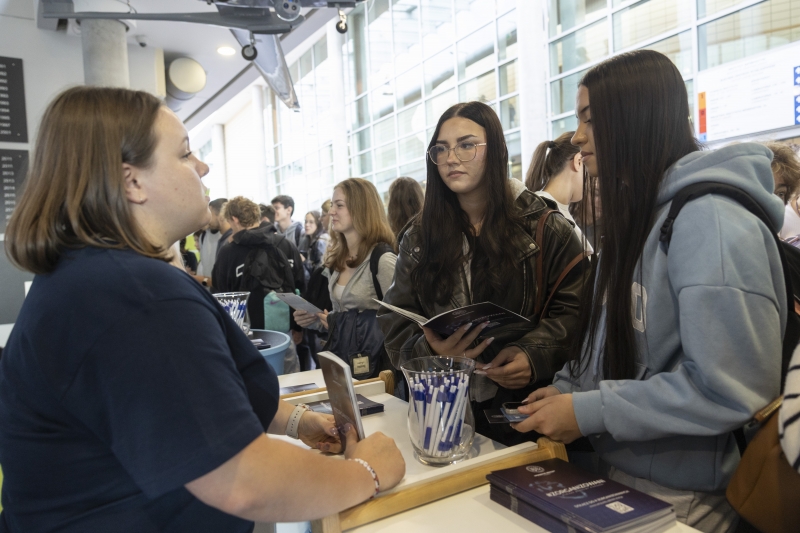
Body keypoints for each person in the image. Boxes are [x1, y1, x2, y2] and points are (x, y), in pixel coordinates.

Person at [0, 86, 404, 532]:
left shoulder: (96, 277)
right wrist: (365, 473)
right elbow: (244, 481)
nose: (203, 166)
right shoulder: (136, 296)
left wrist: (295, 421)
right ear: (131, 181)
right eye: (186, 154)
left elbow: (186, 398)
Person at [512, 51, 784, 533]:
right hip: (626, 477)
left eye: (590, 119)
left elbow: (731, 389)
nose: (577, 137)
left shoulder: (710, 220)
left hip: (690, 497)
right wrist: (569, 390)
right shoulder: (641, 217)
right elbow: (617, 342)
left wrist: (587, 409)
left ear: (634, 117)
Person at [376, 101, 586, 445]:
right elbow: (395, 321)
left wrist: (532, 354)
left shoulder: (546, 226)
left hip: (524, 410)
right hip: (442, 409)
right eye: (441, 149)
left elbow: (576, 311)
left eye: (466, 145)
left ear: (496, 150)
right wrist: (431, 353)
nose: (451, 158)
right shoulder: (419, 237)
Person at [293, 178, 397, 379]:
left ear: (362, 209)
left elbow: (401, 323)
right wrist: (313, 320)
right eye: (332, 205)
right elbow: (339, 316)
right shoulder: (337, 260)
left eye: (339, 205)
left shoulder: (382, 260)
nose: (331, 212)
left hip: (377, 371)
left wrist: (336, 321)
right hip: (344, 366)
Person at [211, 196, 306, 333]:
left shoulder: (228, 252)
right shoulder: (285, 245)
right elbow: (300, 286)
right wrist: (298, 328)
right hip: (284, 331)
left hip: (244, 334)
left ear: (234, 219)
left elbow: (221, 294)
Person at [525, 132, 593, 253]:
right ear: (578, 161)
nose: (592, 178)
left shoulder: (544, 209)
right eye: (588, 163)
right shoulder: (546, 213)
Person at [299, 210, 330, 277]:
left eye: (311, 222)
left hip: (316, 281)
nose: (307, 225)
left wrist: (304, 261)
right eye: (306, 221)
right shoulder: (305, 239)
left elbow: (320, 269)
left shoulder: (321, 241)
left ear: (318, 224)